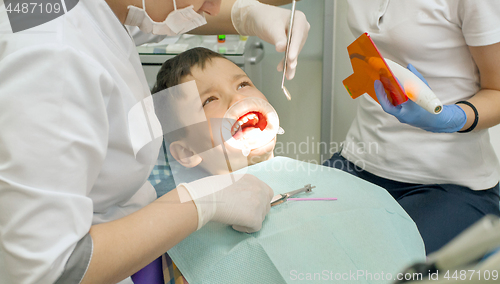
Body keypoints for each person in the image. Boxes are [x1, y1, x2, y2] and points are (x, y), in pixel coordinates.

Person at [0, 0, 310, 283]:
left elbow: (137, 21)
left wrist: (246, 14)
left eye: (243, 83)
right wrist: (201, 203)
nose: (214, 4)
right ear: (185, 153)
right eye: (209, 100)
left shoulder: (69, 10)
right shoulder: (52, 59)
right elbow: (47, 270)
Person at [324, 0, 500, 254]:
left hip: (448, 184)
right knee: (293, 236)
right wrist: (254, 16)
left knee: (383, 263)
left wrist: (454, 118)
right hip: (359, 163)